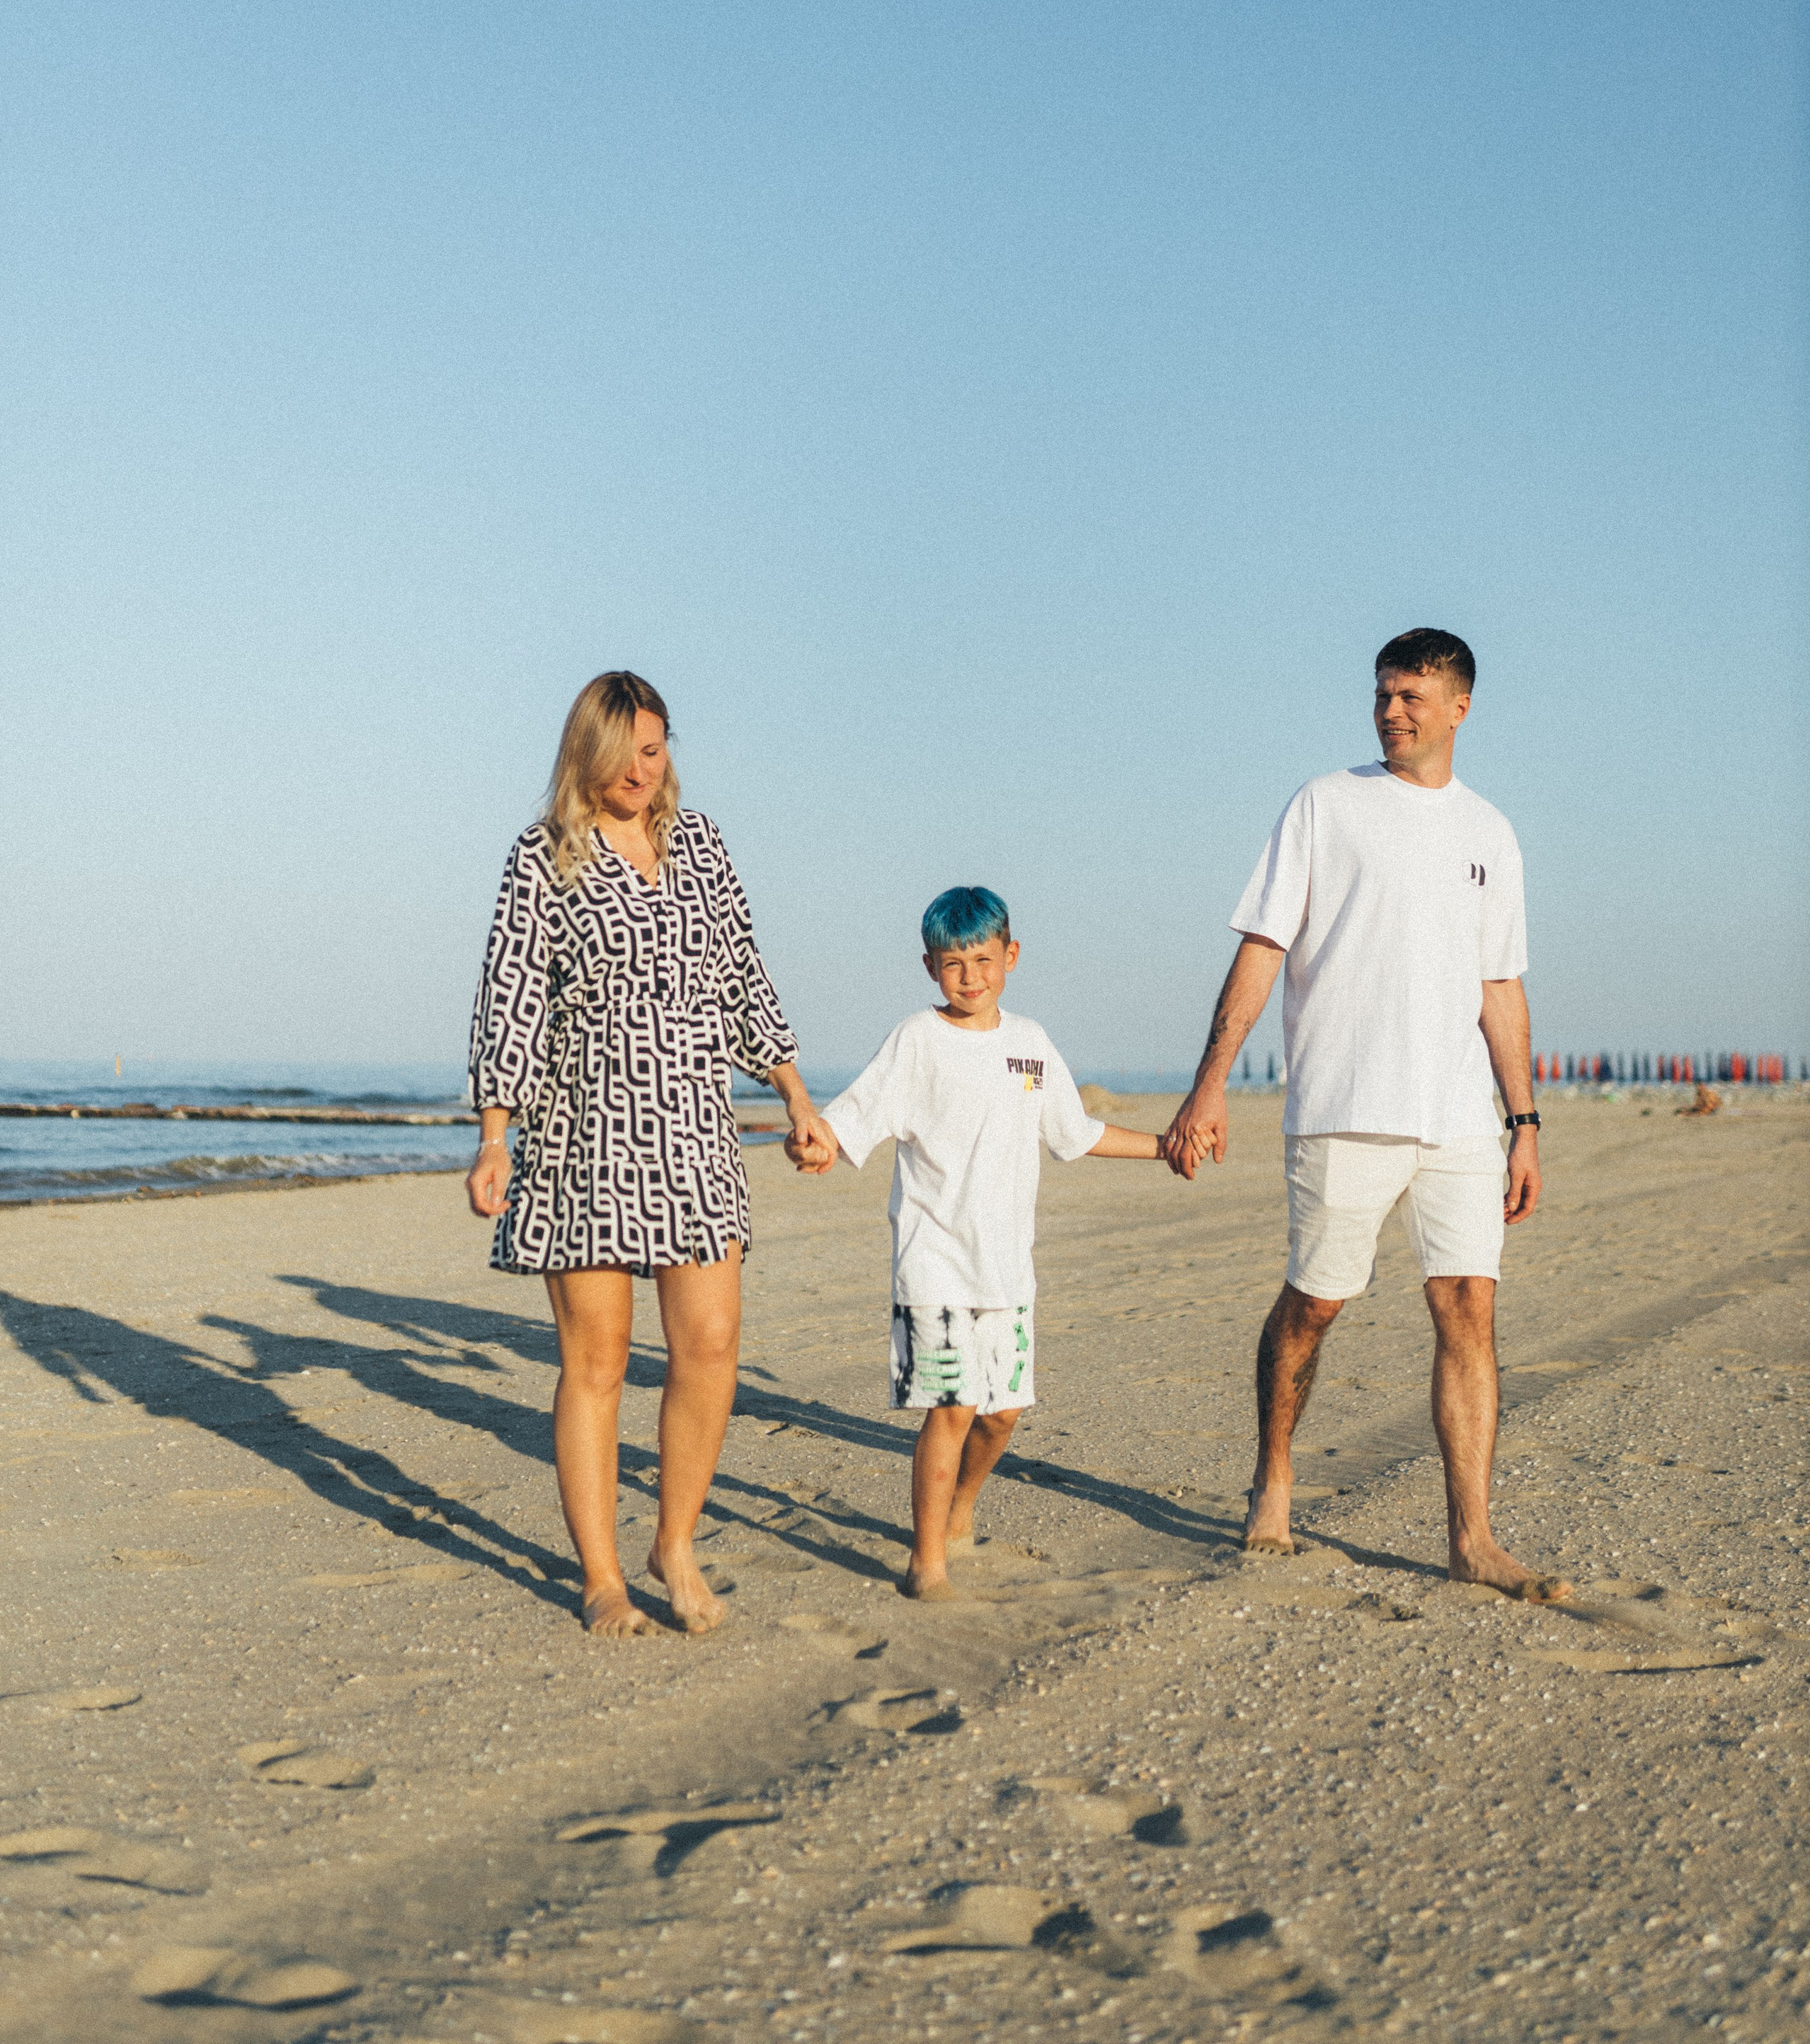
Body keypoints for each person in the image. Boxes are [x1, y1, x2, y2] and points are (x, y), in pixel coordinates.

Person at [1163, 629, 1569, 1600]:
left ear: (1460, 707)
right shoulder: (1326, 805)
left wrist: (1525, 1122)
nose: (1392, 711)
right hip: (1344, 1105)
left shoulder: (1491, 834)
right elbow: (1262, 948)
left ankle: (1471, 1535)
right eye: (1384, 695)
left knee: (1469, 1307)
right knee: (1316, 1305)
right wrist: (1208, 1082)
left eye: (1413, 697)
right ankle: (1274, 1477)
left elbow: (1500, 988)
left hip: (1462, 1119)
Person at [466, 671, 838, 1638]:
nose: (648, 765)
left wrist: (795, 1092)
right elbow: (510, 997)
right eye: (631, 746)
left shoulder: (701, 845)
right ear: (589, 749)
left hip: (693, 1129)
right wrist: (494, 1136)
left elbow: (744, 973)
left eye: (659, 745)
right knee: (594, 1361)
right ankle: (601, 1579)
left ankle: (675, 1541)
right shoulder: (541, 858)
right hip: (580, 1136)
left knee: (710, 1345)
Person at [786, 885, 1176, 1600]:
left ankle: (960, 1509)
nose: (970, 977)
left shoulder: (1030, 1045)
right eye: (954, 963)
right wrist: (817, 1144)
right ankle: (925, 1559)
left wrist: (1164, 1147)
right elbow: (853, 1118)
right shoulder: (916, 1040)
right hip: (932, 1260)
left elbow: (1076, 1134)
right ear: (930, 966)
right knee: (953, 1407)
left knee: (1000, 1416)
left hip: (1007, 1270)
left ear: (1011, 956)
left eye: (983, 960)